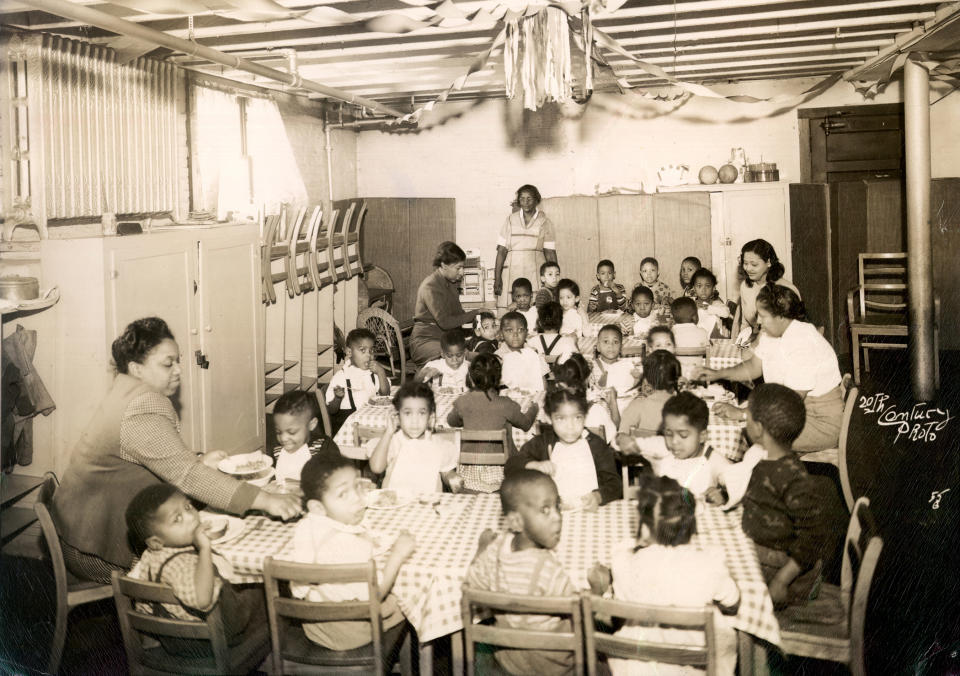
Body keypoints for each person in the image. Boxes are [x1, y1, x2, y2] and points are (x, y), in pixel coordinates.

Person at [51, 317, 300, 583]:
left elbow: (154, 457)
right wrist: (265, 500)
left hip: (78, 530)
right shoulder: (141, 407)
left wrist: (198, 460)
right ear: (136, 368)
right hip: (94, 549)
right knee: (205, 570)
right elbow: (188, 476)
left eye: (178, 361)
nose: (179, 370)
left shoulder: (127, 391)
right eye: (168, 363)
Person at [587, 475, 741, 676]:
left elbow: (618, 606)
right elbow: (733, 603)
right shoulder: (709, 565)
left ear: (643, 530)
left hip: (637, 667)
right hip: (696, 667)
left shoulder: (625, 564)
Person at [695, 284, 843, 453]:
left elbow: (791, 401)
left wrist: (743, 413)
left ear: (781, 317)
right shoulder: (771, 332)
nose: (758, 321)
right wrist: (717, 373)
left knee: (754, 432)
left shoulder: (803, 341)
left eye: (763, 316)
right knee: (744, 425)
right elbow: (753, 367)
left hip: (819, 422)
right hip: (795, 413)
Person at [289, 455, 415, 651]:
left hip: (314, 626)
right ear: (318, 507)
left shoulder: (304, 527)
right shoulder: (352, 546)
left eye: (357, 487)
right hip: (351, 633)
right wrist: (397, 554)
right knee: (410, 599)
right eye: (343, 494)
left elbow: (300, 588)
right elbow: (376, 593)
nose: (357, 497)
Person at [125, 484, 265, 656]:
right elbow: (202, 600)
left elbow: (142, 599)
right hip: (206, 643)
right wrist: (205, 549)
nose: (191, 517)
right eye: (177, 519)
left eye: (188, 507)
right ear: (155, 542)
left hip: (173, 638)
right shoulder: (181, 565)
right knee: (259, 590)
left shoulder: (149, 555)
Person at [739, 384, 846, 608]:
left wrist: (781, 581)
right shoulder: (765, 459)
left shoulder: (792, 477)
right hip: (765, 554)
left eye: (746, 417)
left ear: (758, 429)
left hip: (785, 575)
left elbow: (814, 537)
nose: (744, 423)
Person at [465, 470, 574, 675]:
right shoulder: (551, 571)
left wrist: (481, 549)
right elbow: (578, 615)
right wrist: (598, 588)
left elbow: (471, 584)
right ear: (515, 522)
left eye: (557, 507)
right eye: (545, 510)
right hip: (551, 667)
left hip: (508, 659)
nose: (558, 517)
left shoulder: (495, 550)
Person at [506, 388, 621, 510]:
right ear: (550, 419)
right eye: (561, 418)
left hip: (589, 512)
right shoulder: (543, 443)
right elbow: (511, 465)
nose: (570, 426)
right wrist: (532, 465)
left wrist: (598, 496)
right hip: (552, 513)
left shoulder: (597, 445)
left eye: (577, 417)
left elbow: (615, 484)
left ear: (585, 417)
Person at [448, 354, 539, 492]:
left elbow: (451, 421)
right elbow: (526, 425)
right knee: (508, 428)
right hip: (501, 474)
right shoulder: (506, 404)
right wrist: (534, 408)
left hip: (468, 473)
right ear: (498, 379)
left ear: (471, 378)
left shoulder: (462, 401)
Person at [623, 392, 730, 499]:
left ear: (702, 436)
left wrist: (723, 495)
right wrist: (623, 440)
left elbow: (740, 487)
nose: (674, 441)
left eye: (683, 435)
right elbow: (618, 443)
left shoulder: (714, 459)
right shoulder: (662, 447)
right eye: (669, 434)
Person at [368, 382, 462, 494]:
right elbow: (376, 467)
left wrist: (452, 478)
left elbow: (446, 472)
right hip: (395, 503)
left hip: (428, 504)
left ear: (430, 418)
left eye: (421, 413)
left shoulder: (439, 445)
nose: (414, 421)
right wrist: (388, 432)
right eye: (407, 413)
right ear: (397, 416)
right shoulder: (394, 441)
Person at [411, 241, 482, 366]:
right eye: (458, 268)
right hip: (425, 342)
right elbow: (445, 322)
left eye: (463, 267)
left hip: (445, 340)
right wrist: (475, 312)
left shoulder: (451, 283)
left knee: (477, 349)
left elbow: (458, 314)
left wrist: (478, 321)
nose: (461, 272)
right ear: (444, 265)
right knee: (463, 356)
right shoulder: (430, 286)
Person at [494, 185, 558, 311]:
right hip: (511, 274)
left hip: (535, 273)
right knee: (510, 313)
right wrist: (497, 278)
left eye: (529, 198)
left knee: (536, 311)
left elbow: (550, 253)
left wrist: (554, 280)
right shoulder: (510, 220)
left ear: (536, 200)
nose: (526, 202)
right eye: (522, 199)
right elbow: (501, 251)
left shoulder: (545, 222)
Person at [325, 328, 392, 434]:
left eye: (371, 351)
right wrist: (337, 398)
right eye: (363, 350)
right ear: (349, 352)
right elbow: (331, 410)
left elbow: (386, 394)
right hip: (348, 428)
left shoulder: (372, 373)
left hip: (369, 422)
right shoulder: (341, 377)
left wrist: (381, 372)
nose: (368, 355)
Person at [736, 239, 800, 340]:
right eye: (745, 263)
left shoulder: (786, 289)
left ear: (769, 262)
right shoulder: (745, 286)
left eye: (754, 264)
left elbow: (794, 331)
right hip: (756, 341)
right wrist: (742, 344)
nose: (748, 268)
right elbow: (745, 325)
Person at [271, 390, 340, 484]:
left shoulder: (323, 447)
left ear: (311, 425)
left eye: (292, 432)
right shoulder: (277, 450)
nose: (283, 438)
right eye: (278, 432)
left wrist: (299, 484)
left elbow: (334, 481)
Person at [617, 349, 682, 442]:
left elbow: (621, 440)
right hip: (674, 455)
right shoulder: (684, 407)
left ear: (646, 378)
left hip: (642, 456)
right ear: (676, 379)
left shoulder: (636, 406)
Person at [553, 354, 619, 442]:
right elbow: (614, 436)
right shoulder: (595, 411)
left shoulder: (549, 410)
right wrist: (613, 404)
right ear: (588, 379)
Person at [589, 324, 640, 413]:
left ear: (621, 347)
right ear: (598, 347)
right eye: (606, 341)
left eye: (615, 342)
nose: (611, 345)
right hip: (602, 411)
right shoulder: (592, 367)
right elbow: (590, 393)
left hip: (625, 409)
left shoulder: (627, 366)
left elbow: (634, 389)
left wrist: (637, 378)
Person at [496, 312, 550, 392]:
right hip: (507, 400)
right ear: (501, 333)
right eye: (509, 330)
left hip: (533, 399)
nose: (515, 334)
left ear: (526, 332)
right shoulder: (497, 357)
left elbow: (543, 385)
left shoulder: (534, 354)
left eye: (520, 330)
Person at [670, 296, 710, 379]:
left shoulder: (670, 334)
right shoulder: (703, 332)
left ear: (673, 318)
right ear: (695, 317)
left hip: (676, 375)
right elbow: (710, 351)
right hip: (698, 375)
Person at [690, 267, 730, 338]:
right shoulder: (691, 303)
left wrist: (709, 308)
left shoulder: (716, 303)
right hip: (696, 337)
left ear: (713, 288)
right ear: (694, 288)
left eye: (707, 286)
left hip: (713, 337)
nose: (703, 290)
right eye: (699, 286)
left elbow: (726, 313)